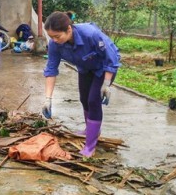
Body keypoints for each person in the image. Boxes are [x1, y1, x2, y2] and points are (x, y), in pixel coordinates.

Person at [41, 11, 121, 157]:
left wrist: (106, 84)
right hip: (85, 68)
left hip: (104, 68)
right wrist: (48, 99)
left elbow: (111, 59)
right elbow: (51, 69)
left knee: (93, 101)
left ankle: (90, 146)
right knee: (84, 99)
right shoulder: (55, 44)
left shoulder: (90, 34)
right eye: (51, 37)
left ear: (69, 29)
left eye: (57, 36)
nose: (54, 40)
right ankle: (90, 129)